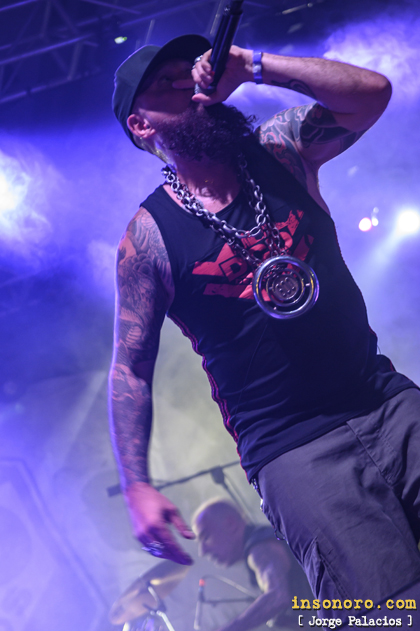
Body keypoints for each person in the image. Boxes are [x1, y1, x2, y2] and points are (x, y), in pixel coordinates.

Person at [109, 33, 420, 619]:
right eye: (167, 85)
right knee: (390, 613)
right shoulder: (147, 239)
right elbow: (130, 367)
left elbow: (373, 94)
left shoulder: (279, 151)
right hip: (293, 450)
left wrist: (251, 65)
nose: (189, 86)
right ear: (141, 126)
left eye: (190, 72)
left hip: (385, 398)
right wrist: (137, 485)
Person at [192, 498, 313, 631]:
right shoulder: (262, 541)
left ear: (230, 524)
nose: (202, 551)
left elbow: (277, 597)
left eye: (206, 537)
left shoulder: (260, 547)